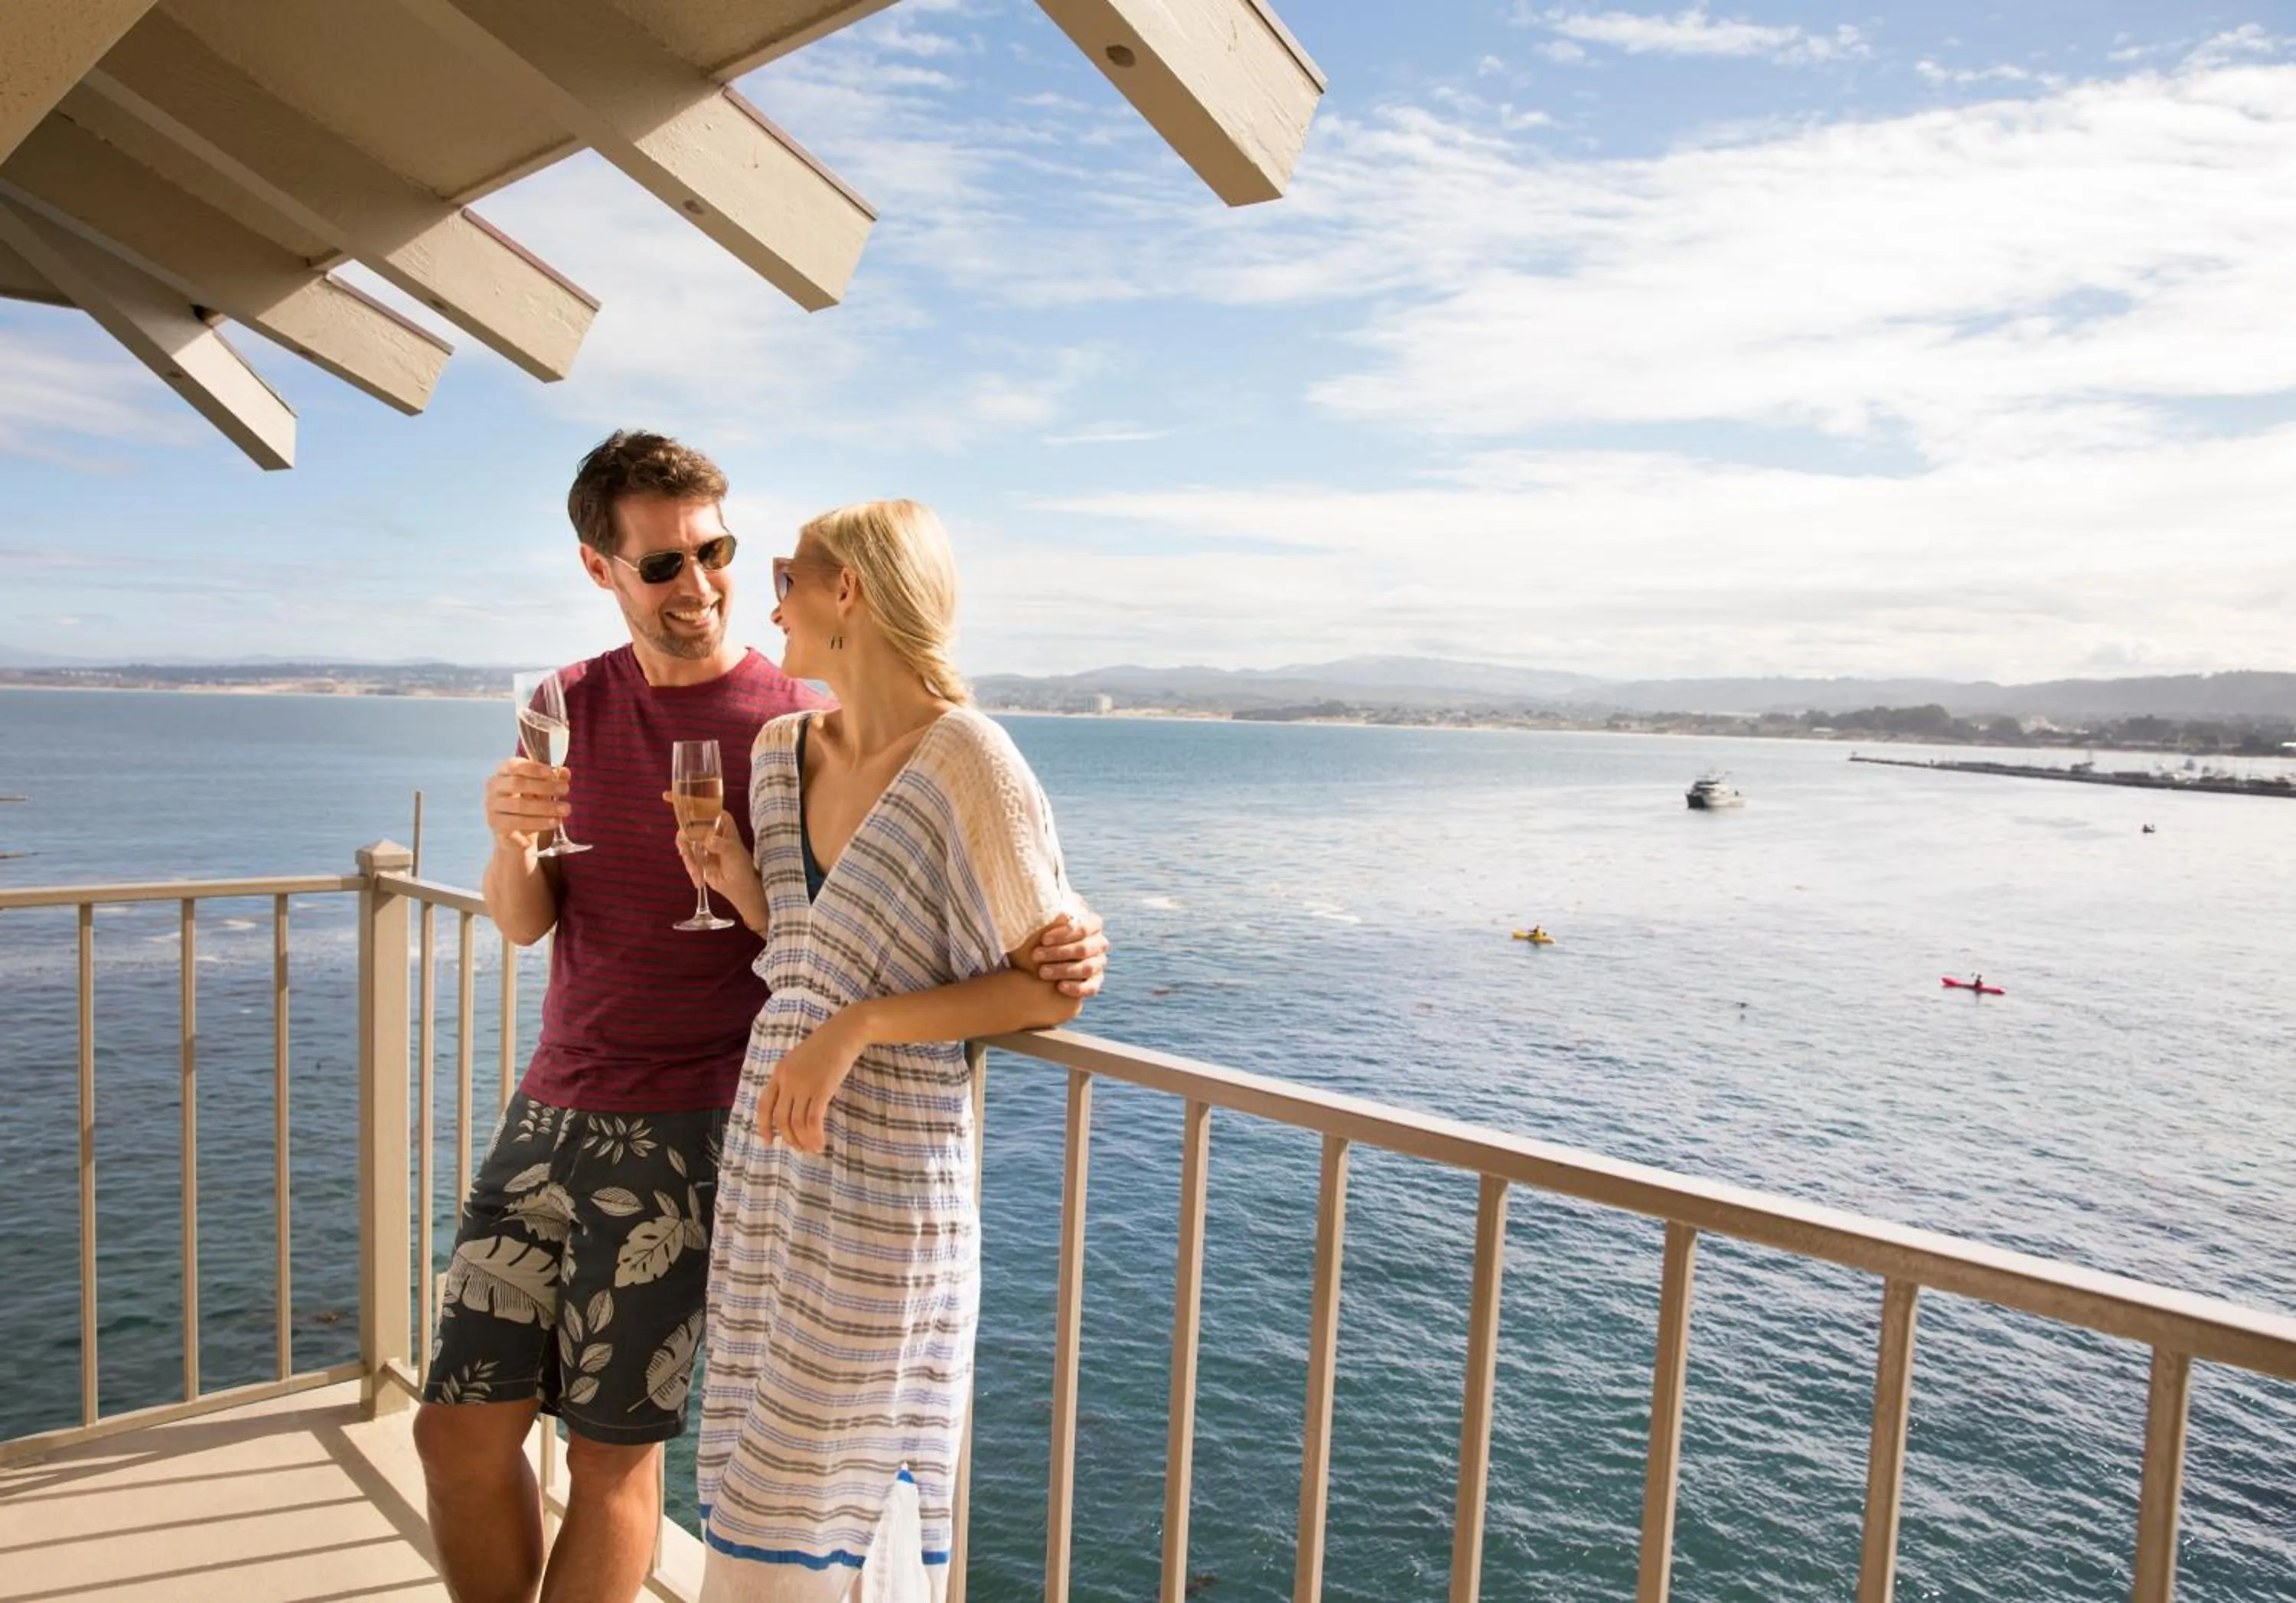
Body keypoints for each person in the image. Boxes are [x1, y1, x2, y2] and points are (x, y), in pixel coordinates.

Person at [413, 436, 1107, 1603]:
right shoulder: (565, 705)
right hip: (554, 1103)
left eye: (723, 553)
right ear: (601, 567)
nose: (703, 586)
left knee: (611, 1451)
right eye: (664, 564)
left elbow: (977, 875)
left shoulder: (796, 710)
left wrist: (1073, 928)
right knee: (454, 1432)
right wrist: (506, 837)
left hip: (708, 1123)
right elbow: (526, 922)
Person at [683, 500, 1086, 1601]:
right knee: (757, 1472)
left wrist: (855, 1031)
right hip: (774, 1166)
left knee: (838, 1500)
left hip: (889, 1184)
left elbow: (1046, 992)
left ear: (847, 589)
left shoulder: (970, 760)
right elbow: (817, 951)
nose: (766, 600)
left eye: (785, 574)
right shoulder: (777, 755)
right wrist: (743, 894)